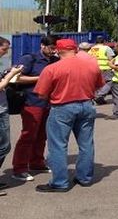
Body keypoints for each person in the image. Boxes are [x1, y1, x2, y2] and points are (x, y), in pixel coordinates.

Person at [33, 38, 104, 192]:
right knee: (86, 144)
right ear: (75, 49)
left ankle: (60, 182)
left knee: (58, 146)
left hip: (62, 107)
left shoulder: (52, 68)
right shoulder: (92, 65)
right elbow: (99, 85)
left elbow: (40, 94)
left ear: (58, 50)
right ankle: (84, 178)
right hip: (86, 105)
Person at [11, 35, 58, 182]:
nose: (53, 51)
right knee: (28, 135)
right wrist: (41, 77)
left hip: (49, 104)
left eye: (55, 49)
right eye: (50, 48)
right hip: (32, 102)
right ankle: (19, 168)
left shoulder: (56, 60)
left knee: (42, 135)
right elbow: (16, 78)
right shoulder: (29, 59)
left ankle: (37, 162)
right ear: (42, 46)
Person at [0, 37, 23, 196]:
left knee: (4, 145)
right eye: (4, 49)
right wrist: (11, 75)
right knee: (3, 146)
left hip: (2, 108)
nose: (6, 52)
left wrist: (7, 73)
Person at [88, 36, 115, 105]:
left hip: (93, 69)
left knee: (97, 85)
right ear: (104, 41)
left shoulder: (91, 49)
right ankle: (99, 96)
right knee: (110, 82)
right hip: (105, 68)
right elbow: (111, 59)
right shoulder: (106, 48)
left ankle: (99, 99)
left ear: (96, 42)